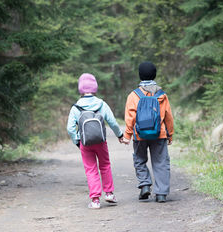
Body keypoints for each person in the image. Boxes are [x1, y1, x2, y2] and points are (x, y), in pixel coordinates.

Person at [67, 73, 124, 209]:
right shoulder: (101, 104)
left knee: (90, 169)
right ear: (95, 87)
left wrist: (77, 140)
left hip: (85, 143)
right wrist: (119, 135)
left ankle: (95, 200)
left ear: (80, 88)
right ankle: (109, 193)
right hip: (101, 141)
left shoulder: (76, 107)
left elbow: (70, 128)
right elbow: (113, 122)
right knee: (105, 165)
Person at [121, 61, 174, 203]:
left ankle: (145, 185)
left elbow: (130, 118)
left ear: (140, 75)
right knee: (161, 162)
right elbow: (168, 116)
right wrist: (170, 134)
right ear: (155, 74)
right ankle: (161, 193)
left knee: (139, 160)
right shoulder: (162, 95)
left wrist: (127, 135)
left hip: (140, 134)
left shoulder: (133, 95)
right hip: (159, 134)